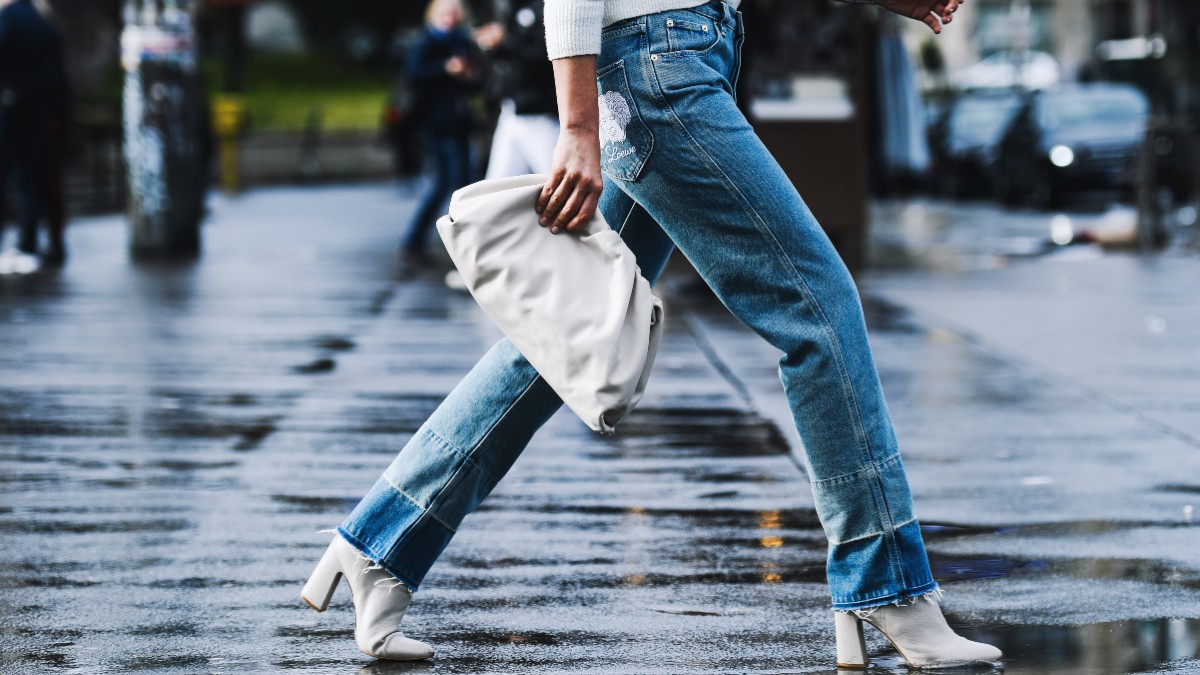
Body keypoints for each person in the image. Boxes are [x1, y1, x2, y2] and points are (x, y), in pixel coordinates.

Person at [302, 0, 1004, 669]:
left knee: (569, 332)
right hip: (659, 71)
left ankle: (382, 541)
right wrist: (576, 125)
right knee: (818, 311)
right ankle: (890, 586)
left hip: (679, 59)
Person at [397, 0, 483, 263]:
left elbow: (474, 84)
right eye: (445, 12)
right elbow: (413, 74)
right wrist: (445, 69)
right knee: (445, 182)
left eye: (454, 13)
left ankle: (461, 242)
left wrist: (468, 77)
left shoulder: (462, 41)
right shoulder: (427, 41)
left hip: (458, 123)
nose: (450, 17)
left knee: (464, 180)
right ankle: (415, 240)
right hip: (436, 123)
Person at [0, 0, 67, 274]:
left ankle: (16, 246)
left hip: (11, 109)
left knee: (5, 178)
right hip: (42, 111)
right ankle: (30, 244)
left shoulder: (9, 20)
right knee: (33, 178)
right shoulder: (44, 22)